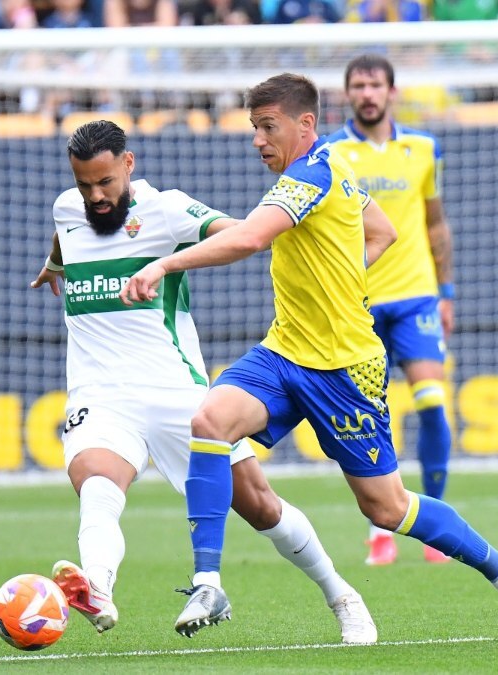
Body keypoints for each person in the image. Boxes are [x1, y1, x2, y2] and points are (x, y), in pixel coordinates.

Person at [119, 73, 498, 641]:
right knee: (209, 421)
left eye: (267, 126)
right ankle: (207, 579)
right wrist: (342, 279)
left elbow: (252, 239)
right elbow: (382, 231)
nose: (257, 139)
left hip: (345, 369)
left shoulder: (312, 174)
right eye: (254, 127)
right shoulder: (337, 167)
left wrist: (162, 264)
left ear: (306, 125)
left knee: (387, 509)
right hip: (283, 352)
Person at [29, 120, 378, 645]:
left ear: (129, 165)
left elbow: (242, 236)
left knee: (260, 505)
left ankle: (342, 595)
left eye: (105, 184)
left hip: (176, 394)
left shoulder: (167, 209)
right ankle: (96, 586)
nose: (96, 197)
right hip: (100, 396)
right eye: (85, 186)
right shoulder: (67, 209)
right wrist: (55, 264)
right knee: (97, 487)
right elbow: (67, 230)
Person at [325, 54, 457, 566]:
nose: (367, 94)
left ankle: (435, 522)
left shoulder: (424, 148)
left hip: (417, 296)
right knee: (364, 417)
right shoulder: (331, 153)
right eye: (357, 85)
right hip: (357, 302)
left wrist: (445, 293)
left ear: (392, 92)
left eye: (375, 85)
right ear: (347, 95)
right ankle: (379, 527)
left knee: (431, 404)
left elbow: (436, 223)